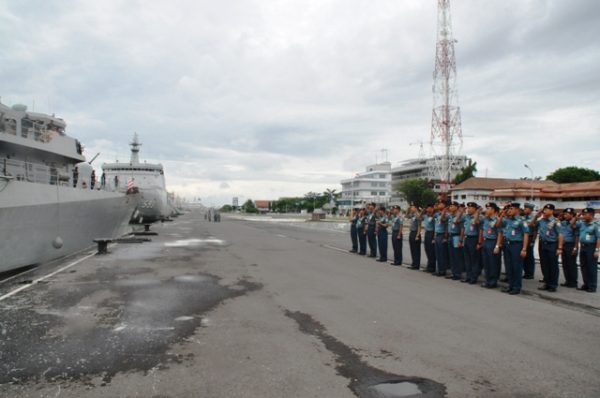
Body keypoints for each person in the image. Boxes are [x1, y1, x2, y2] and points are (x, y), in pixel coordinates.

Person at [497, 203, 530, 295]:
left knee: (516, 267)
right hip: (507, 244)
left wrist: (524, 249)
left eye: (511, 209)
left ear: (517, 210)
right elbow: (498, 225)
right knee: (509, 266)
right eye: (509, 209)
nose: (509, 210)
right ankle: (510, 285)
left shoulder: (521, 221)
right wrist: (501, 215)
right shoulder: (507, 220)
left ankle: (516, 287)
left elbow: (526, 234)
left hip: (516, 245)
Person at [530, 204, 562, 292]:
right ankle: (547, 283)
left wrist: (559, 248)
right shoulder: (541, 221)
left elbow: (560, 235)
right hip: (543, 244)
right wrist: (536, 215)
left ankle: (553, 285)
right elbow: (531, 224)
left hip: (552, 244)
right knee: (544, 265)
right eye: (544, 209)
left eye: (547, 210)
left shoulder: (556, 221)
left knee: (553, 265)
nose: (545, 211)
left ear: (552, 211)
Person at [575, 208, 599, 293]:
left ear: (591, 215)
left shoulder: (596, 225)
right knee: (584, 266)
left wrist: (597, 250)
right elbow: (572, 225)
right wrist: (576, 217)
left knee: (591, 267)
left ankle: (592, 286)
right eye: (583, 214)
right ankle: (586, 284)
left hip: (591, 247)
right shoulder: (582, 224)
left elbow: (598, 238)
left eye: (586, 214)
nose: (583, 216)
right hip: (583, 247)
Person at [479, 202, 502, 289]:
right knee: (486, 263)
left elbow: (500, 233)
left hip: (492, 242)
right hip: (485, 241)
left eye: (488, 208)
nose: (486, 210)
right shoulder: (485, 219)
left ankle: (493, 282)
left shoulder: (497, 220)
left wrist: (497, 246)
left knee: (493, 263)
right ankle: (487, 280)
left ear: (493, 210)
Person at [461, 202, 482, 284]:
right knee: (467, 260)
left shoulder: (479, 217)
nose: (468, 209)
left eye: (470, 208)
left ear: (475, 209)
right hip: (467, 238)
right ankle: (468, 276)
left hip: (474, 239)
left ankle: (474, 277)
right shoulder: (466, 217)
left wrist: (479, 242)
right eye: (468, 208)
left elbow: (479, 228)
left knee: (474, 260)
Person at [559, 208, 579, 288]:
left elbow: (577, 236)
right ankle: (567, 280)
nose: (565, 215)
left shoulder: (576, 224)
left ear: (572, 215)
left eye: (567, 214)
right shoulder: (563, 223)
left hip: (570, 245)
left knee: (571, 264)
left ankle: (573, 282)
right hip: (563, 245)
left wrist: (575, 247)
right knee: (565, 264)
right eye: (565, 214)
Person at [446, 201, 464, 280]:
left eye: (452, 206)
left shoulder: (460, 216)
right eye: (450, 206)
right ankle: (454, 273)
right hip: (450, 236)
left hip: (456, 236)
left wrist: (461, 240)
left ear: (457, 207)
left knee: (457, 256)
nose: (450, 207)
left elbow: (462, 229)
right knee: (451, 255)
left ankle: (458, 274)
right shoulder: (450, 215)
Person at [433, 200, 449, 277]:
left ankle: (443, 270)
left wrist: (445, 237)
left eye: (441, 203)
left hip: (442, 235)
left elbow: (446, 226)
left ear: (445, 206)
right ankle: (439, 269)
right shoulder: (437, 214)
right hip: (437, 235)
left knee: (442, 254)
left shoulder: (447, 215)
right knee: (438, 254)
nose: (439, 205)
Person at [522, 203, 536, 279]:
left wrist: (533, 240)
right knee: (525, 256)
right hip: (524, 237)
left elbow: (534, 229)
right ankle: (526, 272)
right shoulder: (524, 217)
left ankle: (530, 273)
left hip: (530, 237)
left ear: (530, 210)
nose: (524, 210)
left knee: (529, 256)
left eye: (526, 209)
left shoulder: (533, 217)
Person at [421, 204, 437, 273]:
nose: (429, 209)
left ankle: (432, 267)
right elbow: (419, 217)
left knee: (431, 251)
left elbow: (435, 228)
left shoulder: (434, 216)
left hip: (432, 233)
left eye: (430, 208)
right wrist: (423, 211)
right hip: (427, 233)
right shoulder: (425, 216)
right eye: (428, 208)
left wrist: (434, 238)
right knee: (427, 249)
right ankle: (429, 266)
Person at [407, 204, 422, 270]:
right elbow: (407, 216)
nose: (411, 208)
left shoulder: (418, 215)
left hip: (416, 233)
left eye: (412, 207)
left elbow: (419, 226)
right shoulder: (412, 215)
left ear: (416, 208)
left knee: (416, 250)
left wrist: (417, 235)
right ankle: (413, 263)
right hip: (411, 232)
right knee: (412, 249)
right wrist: (408, 209)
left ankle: (416, 265)